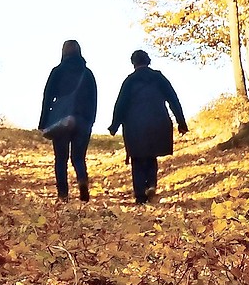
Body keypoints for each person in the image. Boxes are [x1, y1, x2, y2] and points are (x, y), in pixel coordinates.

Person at [108, 50, 187, 204]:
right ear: (148, 61)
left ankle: (140, 195)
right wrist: (181, 123)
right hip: (158, 122)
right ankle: (151, 184)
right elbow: (173, 99)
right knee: (151, 156)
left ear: (133, 63)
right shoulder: (159, 78)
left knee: (137, 159)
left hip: (134, 125)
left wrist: (114, 125)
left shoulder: (130, 81)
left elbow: (121, 105)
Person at [38, 40, 98, 201]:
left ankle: (63, 194)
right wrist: (90, 120)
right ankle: (82, 181)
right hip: (83, 120)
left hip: (61, 121)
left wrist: (43, 122)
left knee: (61, 158)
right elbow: (94, 99)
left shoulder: (57, 72)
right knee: (78, 157)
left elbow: (48, 97)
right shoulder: (88, 73)